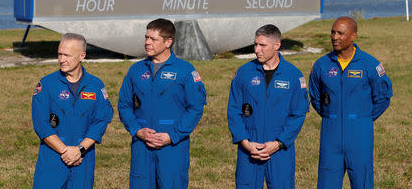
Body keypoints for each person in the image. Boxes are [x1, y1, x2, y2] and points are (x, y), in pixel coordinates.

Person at [118, 18, 207, 189]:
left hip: (173, 147)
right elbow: (124, 105)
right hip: (142, 145)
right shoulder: (136, 70)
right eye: (146, 38)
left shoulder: (185, 70)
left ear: (168, 42)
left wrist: (172, 136)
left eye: (153, 39)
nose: (147, 43)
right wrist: (137, 131)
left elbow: (195, 108)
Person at [309, 16, 392, 189]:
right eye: (332, 32)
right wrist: (333, 115)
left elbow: (383, 98)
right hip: (330, 135)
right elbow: (316, 97)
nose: (334, 37)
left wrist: (363, 117)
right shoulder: (322, 65)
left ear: (353, 36)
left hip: (359, 134)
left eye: (340, 33)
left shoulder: (369, 64)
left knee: (362, 183)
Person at [227, 24, 309, 189]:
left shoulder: (293, 75)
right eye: (256, 44)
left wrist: (278, 143)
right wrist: (245, 142)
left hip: (280, 151)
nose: (257, 50)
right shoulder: (244, 72)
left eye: (262, 45)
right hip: (250, 148)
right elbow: (234, 111)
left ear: (277, 45)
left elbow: (298, 114)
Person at [32, 33, 113, 189]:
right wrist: (66, 151)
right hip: (52, 158)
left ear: (82, 56)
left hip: (83, 159)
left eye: (67, 55)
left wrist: (80, 149)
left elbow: (101, 120)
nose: (62, 60)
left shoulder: (95, 85)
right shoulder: (47, 84)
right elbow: (41, 123)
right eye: (59, 54)